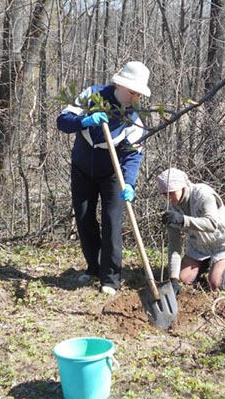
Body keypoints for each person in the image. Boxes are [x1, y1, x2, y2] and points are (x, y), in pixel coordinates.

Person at [56, 61, 151, 296]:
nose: (134, 97)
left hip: (112, 175)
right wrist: (83, 121)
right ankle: (93, 268)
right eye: (132, 91)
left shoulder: (134, 119)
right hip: (82, 169)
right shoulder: (92, 95)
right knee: (84, 217)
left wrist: (129, 183)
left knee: (112, 222)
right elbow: (62, 121)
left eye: (138, 93)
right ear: (119, 84)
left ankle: (110, 278)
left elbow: (132, 155)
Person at [157, 168, 225, 293]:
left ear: (182, 186)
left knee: (216, 284)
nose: (169, 198)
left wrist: (183, 220)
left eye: (172, 192)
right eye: (164, 194)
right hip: (200, 248)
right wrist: (173, 278)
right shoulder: (172, 211)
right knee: (184, 279)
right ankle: (208, 265)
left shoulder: (203, 194)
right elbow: (174, 246)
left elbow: (211, 223)